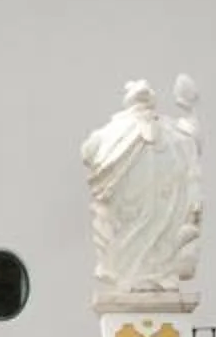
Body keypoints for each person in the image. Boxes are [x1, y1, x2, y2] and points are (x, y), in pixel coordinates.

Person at [80, 76, 201, 294]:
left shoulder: (112, 131)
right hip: (141, 211)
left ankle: (147, 274)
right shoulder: (169, 131)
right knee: (146, 242)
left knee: (148, 240)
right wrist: (189, 111)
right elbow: (192, 142)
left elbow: (87, 152)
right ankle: (147, 273)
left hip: (148, 210)